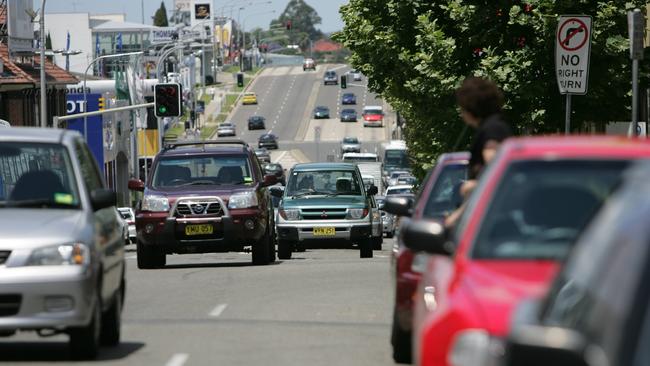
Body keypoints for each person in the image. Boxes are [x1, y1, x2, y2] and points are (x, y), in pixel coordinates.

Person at [445, 77, 512, 227]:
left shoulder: (492, 131)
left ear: (471, 107)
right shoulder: (494, 126)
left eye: (462, 107)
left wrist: (472, 185)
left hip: (490, 222)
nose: (461, 113)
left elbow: (496, 177)